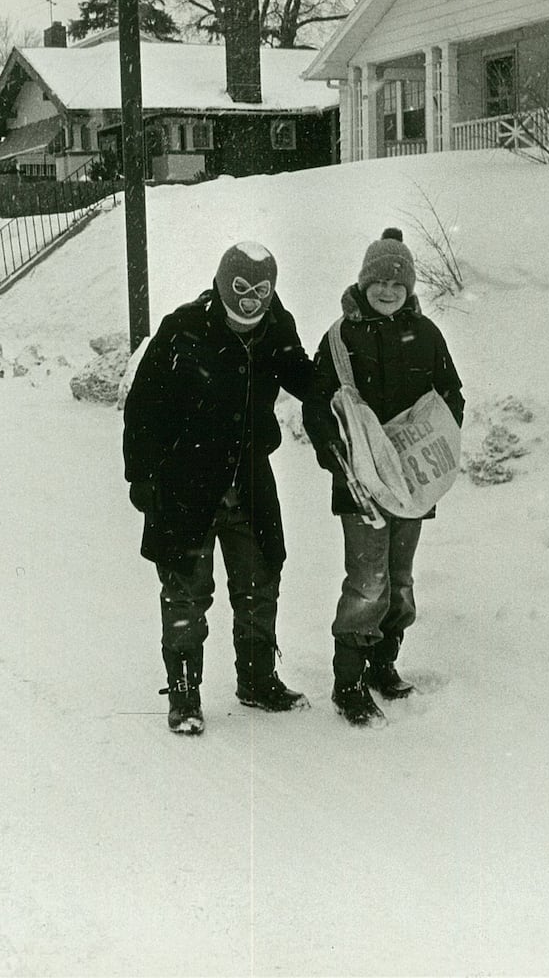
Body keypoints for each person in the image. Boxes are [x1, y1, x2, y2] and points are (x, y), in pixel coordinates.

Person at [123, 242, 315, 735]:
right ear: (221, 283)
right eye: (241, 289)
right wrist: (141, 476)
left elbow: (309, 382)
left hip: (248, 481)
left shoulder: (275, 328)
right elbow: (144, 406)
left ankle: (257, 680)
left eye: (261, 291)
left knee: (259, 581)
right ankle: (185, 695)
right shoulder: (183, 328)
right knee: (186, 591)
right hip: (185, 485)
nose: (250, 301)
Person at [304, 228, 465, 727]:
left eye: (398, 283)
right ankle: (347, 682)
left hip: (412, 487)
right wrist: (342, 462)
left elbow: (450, 395)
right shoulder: (340, 338)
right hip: (361, 487)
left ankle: (383, 663)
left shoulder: (428, 335)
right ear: (364, 282)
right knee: (367, 582)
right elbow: (316, 407)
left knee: (399, 580)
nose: (388, 291)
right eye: (379, 281)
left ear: (410, 287)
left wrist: (431, 442)